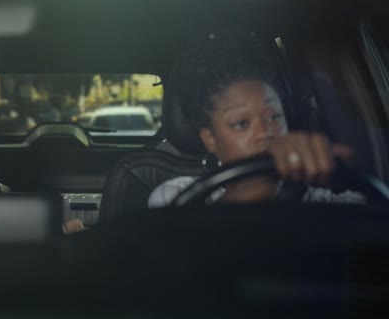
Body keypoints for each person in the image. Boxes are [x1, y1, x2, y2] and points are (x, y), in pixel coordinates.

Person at [148, 31, 363, 207]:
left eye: (274, 117)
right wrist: (260, 185)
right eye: (242, 124)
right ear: (210, 139)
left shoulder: (320, 199)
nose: (265, 133)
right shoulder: (176, 195)